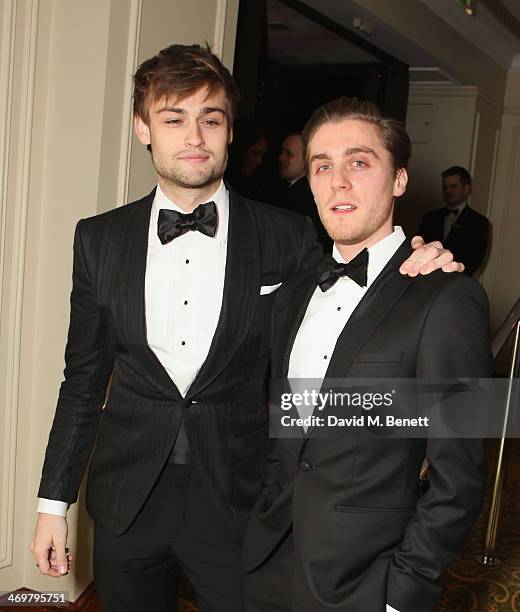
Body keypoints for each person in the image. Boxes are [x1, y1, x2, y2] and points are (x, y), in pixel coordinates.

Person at [30, 44, 461, 611]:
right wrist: (52, 505)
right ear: (142, 128)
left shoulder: (289, 236)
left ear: (230, 130)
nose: (194, 137)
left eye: (211, 119)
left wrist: (419, 260)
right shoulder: (98, 240)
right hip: (125, 501)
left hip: (241, 500)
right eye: (173, 118)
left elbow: (356, 311)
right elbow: (81, 381)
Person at [243, 98, 491, 612]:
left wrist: (403, 592)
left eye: (358, 162)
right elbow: (284, 427)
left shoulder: (446, 297)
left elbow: (459, 476)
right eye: (322, 166)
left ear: (399, 180)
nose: (338, 182)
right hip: (267, 566)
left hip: (366, 584)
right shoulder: (293, 292)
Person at [417, 166, 489, 275]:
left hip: (458, 282)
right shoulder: (429, 218)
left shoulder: (479, 222)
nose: (448, 191)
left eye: (453, 186)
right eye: (445, 187)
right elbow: (419, 250)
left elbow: (474, 261)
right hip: (426, 278)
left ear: (466, 189)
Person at [278, 132, 332, 251]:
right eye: (282, 153)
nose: (281, 158)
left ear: (306, 159)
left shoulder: (301, 197)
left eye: (289, 154)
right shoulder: (296, 192)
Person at [225, 117, 268, 200]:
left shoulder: (255, 186)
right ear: (242, 149)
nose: (259, 162)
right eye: (255, 153)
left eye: (262, 156)